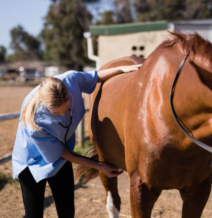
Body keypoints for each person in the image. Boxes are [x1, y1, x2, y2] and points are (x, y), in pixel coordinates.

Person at [12, 64, 141, 218]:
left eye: (66, 109)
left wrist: (121, 69)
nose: (63, 115)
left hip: (60, 156)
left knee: (67, 212)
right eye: (56, 113)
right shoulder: (35, 123)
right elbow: (62, 153)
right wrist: (98, 166)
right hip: (32, 161)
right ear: (45, 106)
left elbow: (95, 76)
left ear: (69, 93)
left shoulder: (71, 80)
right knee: (33, 215)